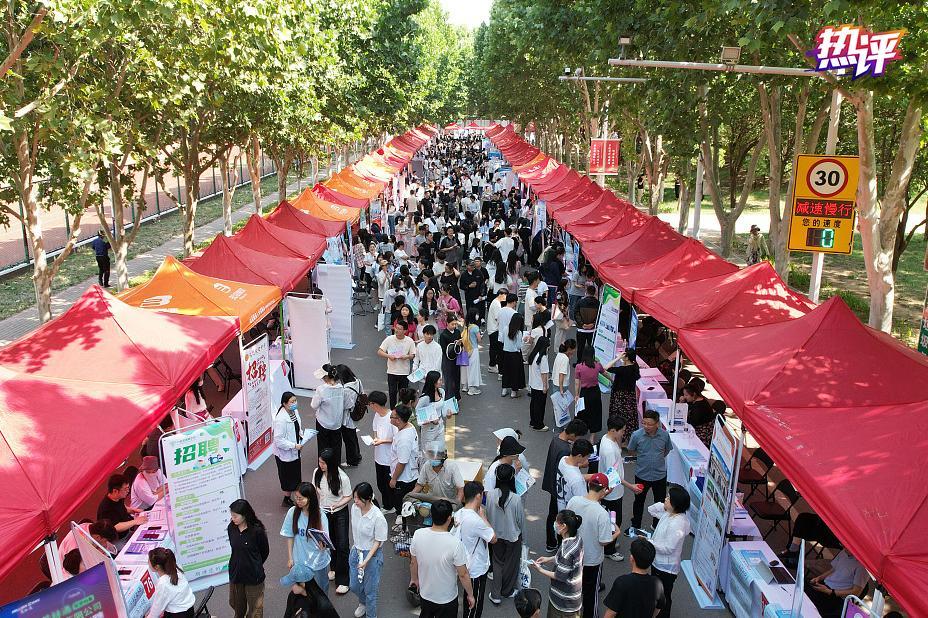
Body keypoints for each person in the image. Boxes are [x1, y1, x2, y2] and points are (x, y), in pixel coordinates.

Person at [567, 474, 623, 618]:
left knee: (574, 588)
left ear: (589, 485)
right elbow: (604, 541)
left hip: (573, 554)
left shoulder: (574, 501)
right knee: (591, 593)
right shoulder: (602, 513)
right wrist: (616, 533)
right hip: (592, 560)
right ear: (604, 490)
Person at [409, 499, 476, 617]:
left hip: (425, 594)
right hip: (447, 599)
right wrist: (470, 595)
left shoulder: (418, 534)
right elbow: (463, 574)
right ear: (449, 518)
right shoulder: (455, 544)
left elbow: (413, 562)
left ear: (431, 515)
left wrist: (414, 579)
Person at [542, 420, 588, 551]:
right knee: (560, 517)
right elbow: (567, 470)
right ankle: (559, 544)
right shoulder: (565, 450)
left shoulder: (556, 438)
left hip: (552, 483)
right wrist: (581, 465)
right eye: (578, 436)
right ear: (573, 434)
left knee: (552, 514)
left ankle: (550, 543)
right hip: (559, 488)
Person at [647, 485, 691, 618]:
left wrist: (649, 542)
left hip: (665, 567)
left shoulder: (678, 523)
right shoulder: (669, 513)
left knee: (663, 597)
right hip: (658, 562)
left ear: (675, 504)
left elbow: (668, 548)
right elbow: (651, 510)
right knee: (657, 594)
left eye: (668, 498)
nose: (665, 499)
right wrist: (665, 506)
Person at [454, 481, 497, 618]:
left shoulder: (458, 513)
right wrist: (483, 517)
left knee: (468, 599)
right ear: (478, 496)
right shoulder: (476, 520)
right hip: (476, 568)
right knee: (474, 605)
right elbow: (493, 538)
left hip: (464, 564)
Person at [313, 448, 352, 595]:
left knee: (342, 544)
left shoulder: (342, 477)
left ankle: (343, 580)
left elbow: (348, 496)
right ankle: (334, 568)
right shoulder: (317, 473)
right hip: (324, 512)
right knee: (330, 542)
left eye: (323, 463)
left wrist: (336, 505)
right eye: (320, 462)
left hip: (339, 512)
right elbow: (315, 488)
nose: (321, 465)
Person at [531, 510, 584, 618]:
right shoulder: (576, 538)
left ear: (564, 526)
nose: (554, 524)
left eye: (556, 522)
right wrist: (548, 559)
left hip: (563, 602)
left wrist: (540, 569)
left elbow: (559, 576)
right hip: (574, 597)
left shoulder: (566, 550)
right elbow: (566, 561)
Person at [485, 464, 525, 605]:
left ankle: (495, 594)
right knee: (511, 564)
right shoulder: (516, 498)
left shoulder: (490, 495)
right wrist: (523, 538)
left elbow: (488, 514)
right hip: (513, 536)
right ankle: (507, 591)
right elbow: (520, 521)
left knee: (497, 562)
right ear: (512, 479)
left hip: (496, 536)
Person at [281, 482, 332, 594]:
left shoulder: (320, 515)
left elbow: (325, 539)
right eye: (296, 497)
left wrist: (323, 545)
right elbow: (290, 535)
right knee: (302, 591)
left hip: (317, 561)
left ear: (310, 498)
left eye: (300, 498)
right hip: (300, 561)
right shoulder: (292, 512)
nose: (297, 501)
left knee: (321, 590)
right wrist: (290, 558)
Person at [628, 410, 674, 532]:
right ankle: (636, 524)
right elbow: (631, 450)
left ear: (657, 423)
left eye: (650, 424)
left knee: (660, 502)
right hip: (641, 474)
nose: (646, 426)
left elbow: (667, 450)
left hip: (660, 475)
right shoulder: (636, 435)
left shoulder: (664, 435)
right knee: (639, 501)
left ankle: (657, 525)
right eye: (644, 423)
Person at [349, 482, 389, 618]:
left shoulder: (378, 517)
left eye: (359, 499)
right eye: (354, 497)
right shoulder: (354, 508)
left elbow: (378, 541)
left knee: (370, 591)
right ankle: (363, 603)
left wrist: (366, 560)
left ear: (368, 499)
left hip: (371, 555)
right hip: (356, 551)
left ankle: (371, 614)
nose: (355, 501)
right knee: (354, 585)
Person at [602, 537, 666, 618]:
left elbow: (610, 614)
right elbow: (657, 608)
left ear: (631, 558)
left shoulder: (622, 582)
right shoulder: (658, 583)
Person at [227, 499, 269, 618]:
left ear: (245, 515)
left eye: (235, 516)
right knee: (236, 605)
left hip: (253, 576)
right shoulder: (231, 528)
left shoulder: (257, 531)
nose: (232, 518)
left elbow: (264, 551)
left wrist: (254, 563)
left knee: (255, 610)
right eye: (232, 515)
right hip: (236, 574)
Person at [805, 547, 870, 617]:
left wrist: (831, 592)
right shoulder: (844, 552)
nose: (844, 547)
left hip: (837, 597)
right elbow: (833, 569)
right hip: (825, 587)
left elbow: (856, 592)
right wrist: (819, 578)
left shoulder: (862, 566)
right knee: (804, 595)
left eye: (847, 547)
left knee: (813, 610)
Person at [364, 390, 397, 514]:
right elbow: (375, 430)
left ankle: (391, 506)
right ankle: (388, 504)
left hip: (389, 458)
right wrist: (375, 438)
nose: (370, 406)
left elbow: (396, 438)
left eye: (370, 404)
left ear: (375, 404)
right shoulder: (377, 415)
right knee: (381, 483)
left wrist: (382, 441)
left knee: (388, 484)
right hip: (378, 456)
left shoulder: (392, 417)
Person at [273, 392, 305, 507]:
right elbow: (279, 440)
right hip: (286, 453)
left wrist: (302, 436)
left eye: (295, 400)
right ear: (284, 403)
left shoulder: (294, 412)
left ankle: (296, 497)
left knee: (295, 475)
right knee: (288, 477)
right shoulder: (280, 419)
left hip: (295, 449)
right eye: (292, 402)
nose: (295, 403)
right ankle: (287, 499)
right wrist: (293, 445)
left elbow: (298, 427)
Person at [389, 404, 420, 521]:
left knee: (402, 503)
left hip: (404, 478)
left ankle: (403, 523)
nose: (390, 418)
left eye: (392, 416)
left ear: (398, 420)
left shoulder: (404, 439)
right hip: (409, 474)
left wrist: (394, 479)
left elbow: (402, 462)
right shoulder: (409, 426)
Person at [311, 364, 346, 466]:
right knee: (336, 445)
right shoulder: (340, 387)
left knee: (323, 446)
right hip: (337, 423)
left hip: (323, 422)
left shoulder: (321, 389)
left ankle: (323, 466)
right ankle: (335, 466)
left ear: (325, 377)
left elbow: (314, 405)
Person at [146, 548, 195, 618]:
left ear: (157, 567)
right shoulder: (176, 570)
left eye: (149, 561)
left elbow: (157, 608)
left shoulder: (163, 583)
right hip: (189, 610)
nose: (147, 562)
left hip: (179, 615)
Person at [378, 321, 417, 408]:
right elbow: (380, 351)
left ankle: (401, 410)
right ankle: (393, 410)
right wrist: (389, 356)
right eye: (396, 328)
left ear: (405, 331)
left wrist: (407, 356)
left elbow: (413, 355)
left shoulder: (409, 341)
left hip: (404, 371)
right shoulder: (389, 339)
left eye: (399, 329)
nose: (397, 330)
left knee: (403, 394)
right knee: (392, 392)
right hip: (392, 371)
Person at [573, 349, 610, 440]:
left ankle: (578, 435)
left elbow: (577, 383)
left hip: (584, 393)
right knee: (595, 413)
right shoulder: (597, 365)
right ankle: (592, 437)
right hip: (595, 392)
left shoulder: (579, 366)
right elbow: (605, 373)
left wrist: (576, 395)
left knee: (581, 413)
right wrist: (612, 380)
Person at [97, 473, 146, 539]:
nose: (128, 491)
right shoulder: (106, 508)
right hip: (118, 538)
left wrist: (133, 510)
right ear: (115, 491)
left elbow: (122, 507)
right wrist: (136, 521)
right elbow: (115, 527)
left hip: (127, 531)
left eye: (128, 488)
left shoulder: (118, 497)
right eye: (125, 489)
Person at [607, 349, 641, 436]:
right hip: (630, 396)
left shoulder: (622, 369)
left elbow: (606, 367)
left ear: (627, 358)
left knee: (619, 416)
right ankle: (628, 433)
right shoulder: (635, 367)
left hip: (620, 396)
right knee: (629, 416)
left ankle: (620, 435)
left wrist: (617, 358)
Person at [555, 439, 593, 511]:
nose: (588, 459)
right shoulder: (577, 480)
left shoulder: (563, 459)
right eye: (587, 456)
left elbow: (570, 477)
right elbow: (584, 503)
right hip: (573, 513)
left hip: (561, 506)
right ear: (579, 456)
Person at [417, 371, 451, 452]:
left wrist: (448, 415)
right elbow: (418, 412)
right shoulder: (425, 398)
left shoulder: (442, 392)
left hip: (440, 425)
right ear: (433, 382)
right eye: (439, 380)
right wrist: (430, 420)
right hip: (429, 429)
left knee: (440, 451)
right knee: (428, 453)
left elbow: (442, 409)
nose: (441, 381)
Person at [338, 364, 363, 467]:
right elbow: (362, 393)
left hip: (348, 418)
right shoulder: (357, 381)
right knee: (353, 437)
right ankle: (357, 455)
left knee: (349, 440)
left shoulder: (346, 389)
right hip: (356, 413)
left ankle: (352, 461)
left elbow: (346, 405)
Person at [527, 334, 550, 431]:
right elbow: (544, 374)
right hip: (540, 386)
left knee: (534, 404)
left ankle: (533, 422)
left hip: (533, 384)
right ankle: (539, 424)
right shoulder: (543, 358)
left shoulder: (533, 355)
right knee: (540, 406)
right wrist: (545, 386)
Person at [500, 310, 526, 398]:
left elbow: (502, 340)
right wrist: (523, 341)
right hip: (515, 355)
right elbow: (519, 346)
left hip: (506, 354)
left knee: (506, 372)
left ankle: (504, 390)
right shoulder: (519, 333)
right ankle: (513, 392)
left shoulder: (505, 329)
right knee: (515, 373)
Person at [682, 383, 716, 447]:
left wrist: (683, 417)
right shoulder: (695, 401)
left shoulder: (699, 407)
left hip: (703, 432)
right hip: (698, 426)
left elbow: (693, 422)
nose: (684, 397)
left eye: (686, 395)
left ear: (694, 394)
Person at [573, 285, 600, 364]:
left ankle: (579, 362)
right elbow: (599, 315)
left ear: (586, 292)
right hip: (593, 330)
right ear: (595, 292)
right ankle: (590, 363)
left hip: (581, 329)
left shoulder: (580, 302)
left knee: (580, 347)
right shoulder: (598, 303)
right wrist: (593, 324)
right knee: (591, 347)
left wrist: (582, 324)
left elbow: (576, 314)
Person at [486, 288, 508, 374]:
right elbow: (497, 318)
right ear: (501, 294)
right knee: (495, 349)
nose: (506, 298)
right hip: (494, 329)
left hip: (493, 328)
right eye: (505, 295)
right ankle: (492, 365)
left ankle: (493, 364)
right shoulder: (496, 304)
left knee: (494, 348)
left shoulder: (496, 302)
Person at [463, 307, 483, 396]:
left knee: (467, 368)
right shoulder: (475, 327)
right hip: (473, 349)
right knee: (473, 369)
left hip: (466, 349)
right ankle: (472, 388)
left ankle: (465, 385)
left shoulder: (466, 326)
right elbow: (479, 340)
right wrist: (480, 335)